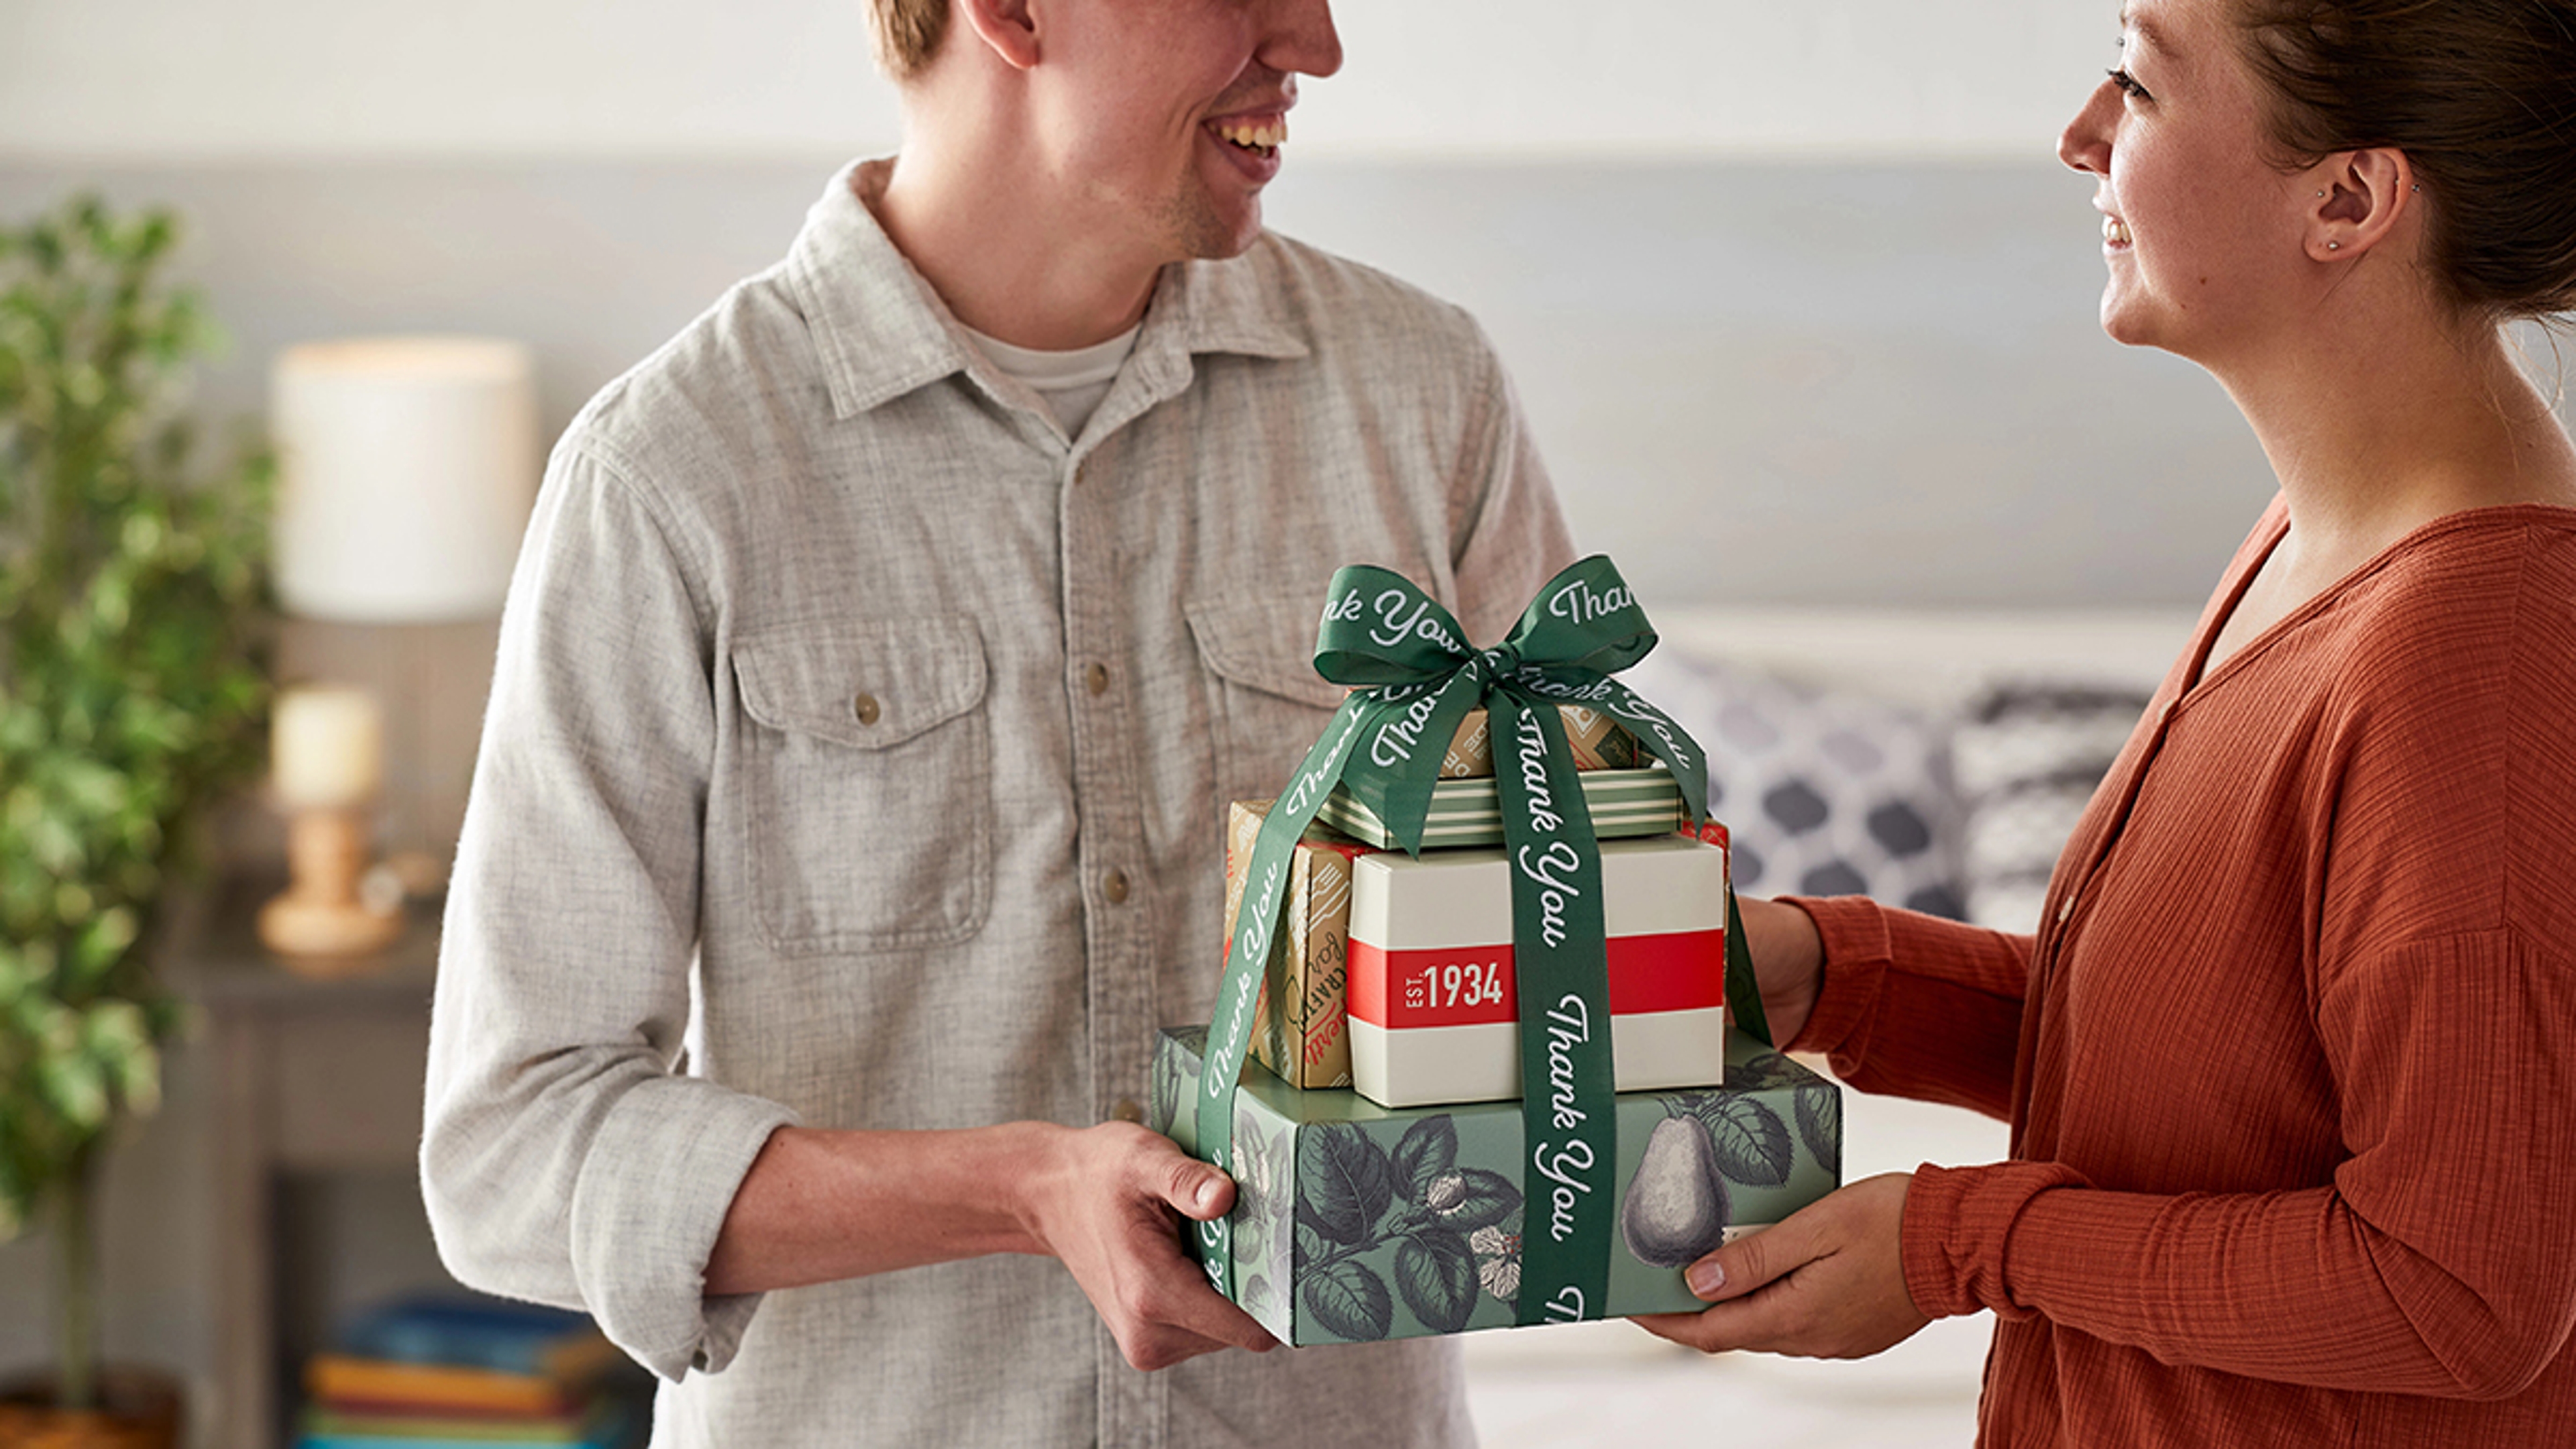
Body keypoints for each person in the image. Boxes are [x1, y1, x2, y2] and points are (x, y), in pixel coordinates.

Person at [417, 0, 1574, 1444]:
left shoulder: (1425, 399)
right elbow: (511, 1149)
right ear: (1014, 14)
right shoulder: (670, 475)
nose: (1316, 43)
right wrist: (1022, 1189)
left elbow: (1566, 946)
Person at [1634, 0, 2576, 1442]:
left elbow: (2455, 1287)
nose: (2078, 135)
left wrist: (1964, 1242)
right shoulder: (2316, 546)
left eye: (2136, 85)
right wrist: (1829, 976)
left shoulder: (2474, 665)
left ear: (2348, 200)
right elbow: (2223, 1079)